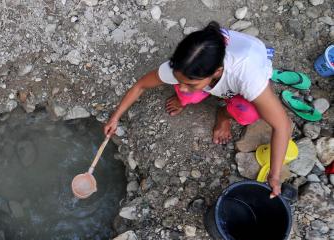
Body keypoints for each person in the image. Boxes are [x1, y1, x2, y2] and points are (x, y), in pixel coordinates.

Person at [103, 21, 292, 198]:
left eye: (191, 82)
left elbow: (282, 125)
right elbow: (141, 86)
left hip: (239, 78)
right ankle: (195, 95)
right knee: (188, 95)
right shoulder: (183, 65)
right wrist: (115, 117)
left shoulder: (247, 75)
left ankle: (223, 114)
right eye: (180, 80)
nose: (182, 86)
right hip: (216, 79)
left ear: (217, 72)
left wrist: (274, 176)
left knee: (249, 113)